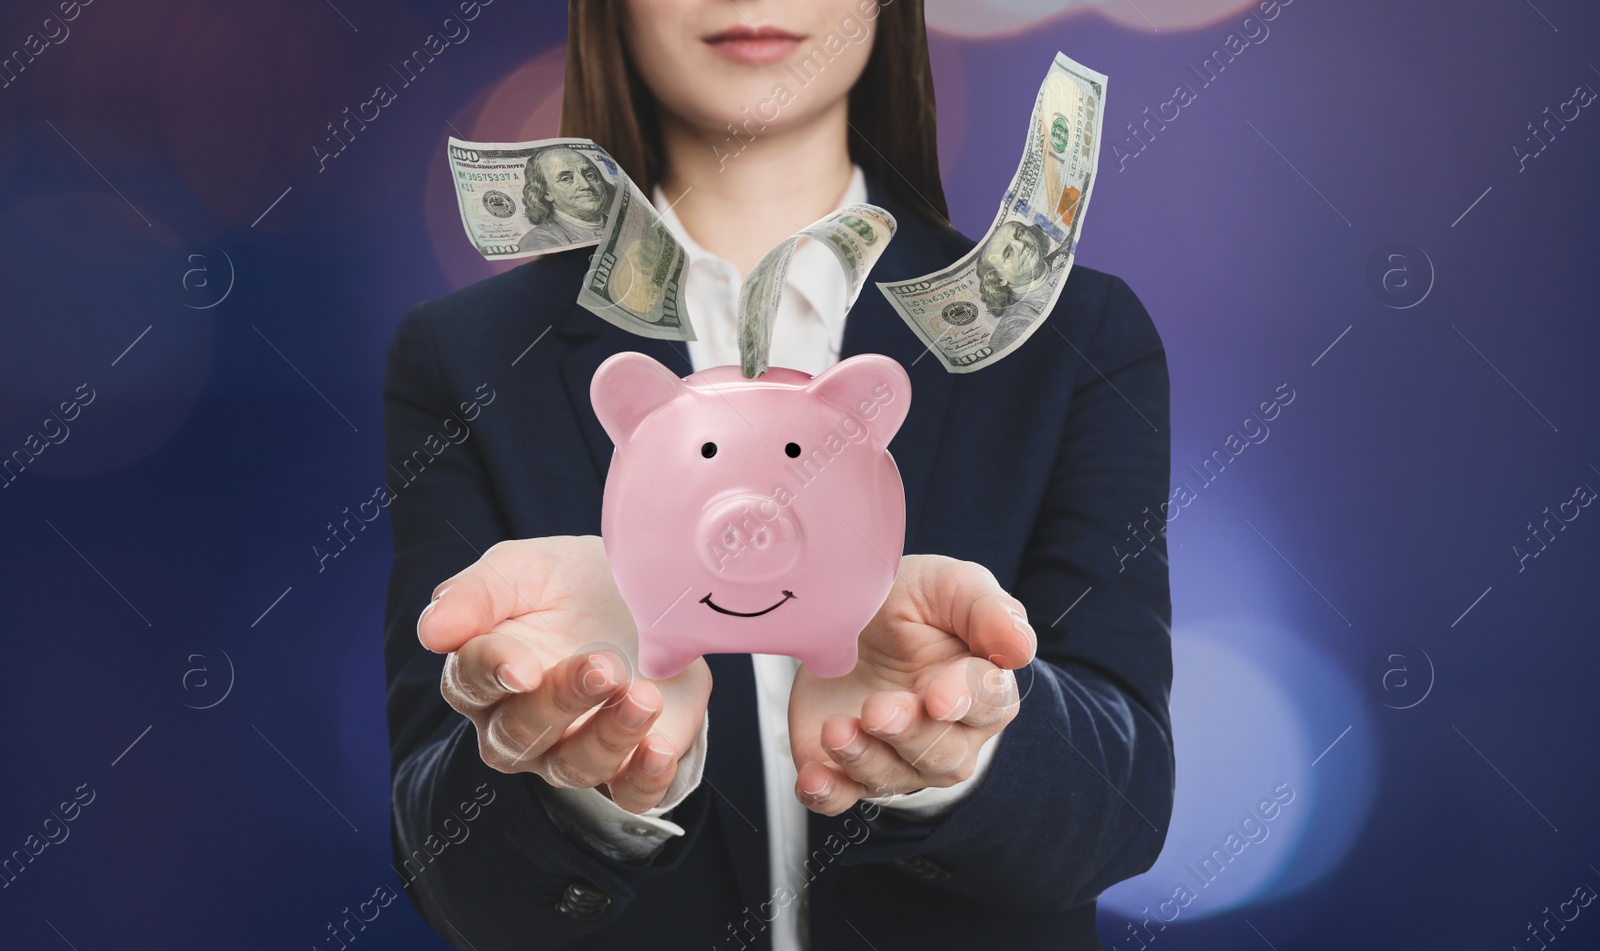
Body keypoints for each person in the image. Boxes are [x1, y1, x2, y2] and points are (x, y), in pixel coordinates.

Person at [382, 2, 1174, 949]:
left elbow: (1126, 804)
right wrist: (586, 770)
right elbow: (447, 872)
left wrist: (969, 734)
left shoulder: (1073, 341)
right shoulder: (465, 359)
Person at [977, 220, 1067, 352]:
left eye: (1019, 234)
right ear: (1000, 280)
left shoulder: (1070, 248)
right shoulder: (1014, 328)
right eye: (1008, 253)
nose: (1021, 244)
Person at [517, 144, 616, 251]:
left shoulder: (623, 225)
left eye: (590, 175)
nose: (586, 185)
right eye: (566, 179)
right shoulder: (539, 241)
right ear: (546, 193)